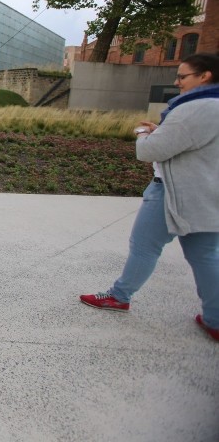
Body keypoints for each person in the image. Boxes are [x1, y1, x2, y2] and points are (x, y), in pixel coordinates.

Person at [80, 53, 219, 343]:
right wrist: (163, 133)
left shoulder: (194, 108)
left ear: (205, 76)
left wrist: (144, 134)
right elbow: (192, 143)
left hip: (172, 192)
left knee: (144, 247)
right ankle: (215, 319)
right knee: (205, 256)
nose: (177, 81)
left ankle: (119, 296)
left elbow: (149, 152)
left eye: (183, 76)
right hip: (207, 192)